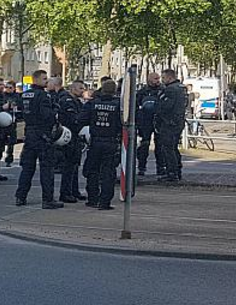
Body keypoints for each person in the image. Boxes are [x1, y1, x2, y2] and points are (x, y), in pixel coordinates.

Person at [14, 70, 61, 208]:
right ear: (36, 80)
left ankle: (20, 196)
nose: (47, 81)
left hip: (29, 133)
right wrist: (55, 110)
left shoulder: (23, 95)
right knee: (46, 168)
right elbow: (47, 115)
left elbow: (20, 112)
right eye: (44, 78)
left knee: (27, 168)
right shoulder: (43, 95)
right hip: (42, 134)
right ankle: (48, 199)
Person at [79, 79, 123, 210]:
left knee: (93, 171)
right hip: (111, 142)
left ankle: (92, 199)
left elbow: (81, 119)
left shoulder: (92, 104)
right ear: (115, 91)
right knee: (108, 173)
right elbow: (124, 124)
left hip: (95, 141)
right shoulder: (119, 105)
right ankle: (105, 202)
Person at [155, 68, 188, 182]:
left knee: (168, 148)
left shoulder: (170, 90)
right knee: (174, 148)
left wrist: (159, 101)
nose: (162, 80)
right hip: (179, 121)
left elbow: (165, 106)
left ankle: (172, 172)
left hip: (169, 122)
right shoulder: (182, 88)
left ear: (170, 77)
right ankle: (177, 170)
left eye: (163, 78)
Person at [56, 80, 86, 202]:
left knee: (75, 165)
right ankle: (65, 193)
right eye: (80, 88)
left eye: (83, 88)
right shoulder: (67, 101)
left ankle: (74, 191)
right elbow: (73, 120)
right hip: (69, 136)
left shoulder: (77, 102)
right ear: (72, 89)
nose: (82, 90)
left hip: (76, 137)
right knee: (69, 166)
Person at [133, 73, 160, 176]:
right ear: (149, 80)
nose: (158, 80)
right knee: (144, 145)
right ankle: (141, 166)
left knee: (160, 146)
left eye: (158, 78)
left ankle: (160, 168)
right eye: (155, 78)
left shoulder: (162, 90)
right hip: (144, 122)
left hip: (158, 121)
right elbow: (136, 105)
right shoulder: (142, 92)